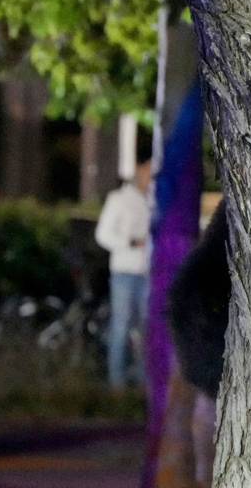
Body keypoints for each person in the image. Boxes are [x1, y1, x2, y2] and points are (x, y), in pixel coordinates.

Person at [95, 156, 152, 390]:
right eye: (148, 172)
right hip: (125, 273)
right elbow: (103, 235)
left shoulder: (153, 200)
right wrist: (130, 241)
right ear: (139, 172)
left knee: (145, 328)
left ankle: (141, 380)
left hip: (147, 272)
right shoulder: (119, 199)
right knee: (121, 326)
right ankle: (116, 382)